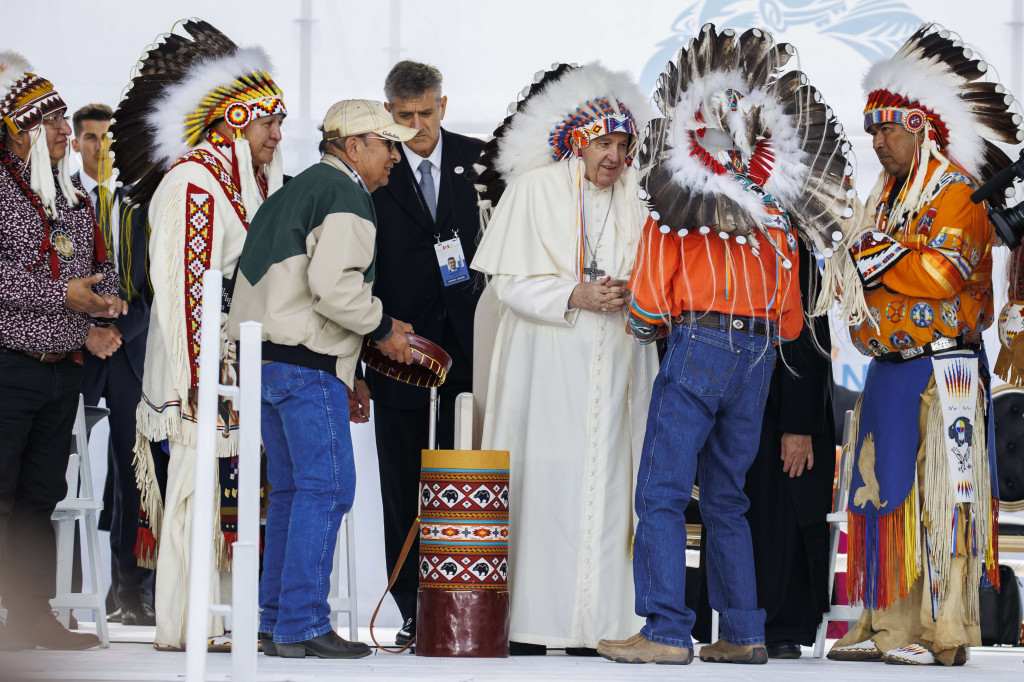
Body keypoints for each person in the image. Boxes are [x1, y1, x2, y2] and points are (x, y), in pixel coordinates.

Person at [596, 24, 858, 665]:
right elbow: (795, 320)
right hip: (760, 355)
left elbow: (648, 302)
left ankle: (665, 629)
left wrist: (644, 323)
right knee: (727, 497)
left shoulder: (676, 198)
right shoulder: (777, 213)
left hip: (699, 345)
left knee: (661, 491)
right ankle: (743, 631)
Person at [826, 23, 1017, 666]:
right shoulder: (885, 199)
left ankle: (941, 630)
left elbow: (941, 275)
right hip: (888, 369)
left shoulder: (961, 194)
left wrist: (874, 257)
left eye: (887, 129)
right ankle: (885, 623)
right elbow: (858, 282)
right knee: (879, 492)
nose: (877, 142)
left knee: (942, 500)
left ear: (922, 127)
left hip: (944, 374)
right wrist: (885, 258)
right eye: (872, 130)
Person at [108, 19, 287, 651]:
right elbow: (184, 287)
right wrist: (196, 374)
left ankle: (217, 616)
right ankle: (186, 621)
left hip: (232, 361)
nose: (277, 135)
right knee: (192, 487)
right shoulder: (194, 182)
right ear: (236, 121)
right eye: (269, 123)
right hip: (197, 363)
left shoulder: (241, 183)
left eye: (280, 123)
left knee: (226, 492)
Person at [471, 62, 658, 654]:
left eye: (623, 146)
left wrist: (636, 295)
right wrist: (573, 295)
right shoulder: (534, 191)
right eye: (604, 144)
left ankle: (603, 624)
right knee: (544, 485)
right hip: (547, 367)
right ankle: (534, 623)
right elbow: (506, 283)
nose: (615, 157)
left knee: (612, 490)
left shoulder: (639, 198)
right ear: (578, 142)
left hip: (620, 360)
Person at [229, 98, 416, 659]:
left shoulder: (296, 188)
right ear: (353, 147)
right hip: (305, 366)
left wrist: (349, 371)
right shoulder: (344, 193)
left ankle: (275, 622)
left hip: (267, 361)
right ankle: (303, 622)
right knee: (328, 487)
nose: (396, 157)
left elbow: (296, 286)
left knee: (291, 491)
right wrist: (384, 328)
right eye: (388, 144)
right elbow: (334, 288)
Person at [0, 52, 126, 651]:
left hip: (61, 373)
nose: (61, 131)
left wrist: (105, 303)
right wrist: (65, 296)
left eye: (60, 118)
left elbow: (103, 265)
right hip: (8, 366)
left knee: (40, 497)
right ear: (16, 129)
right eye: (48, 120)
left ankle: (30, 617)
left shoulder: (73, 193)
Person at [369, 60, 484, 647]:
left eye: (426, 112)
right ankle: (413, 607)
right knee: (402, 485)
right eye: (404, 115)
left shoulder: (480, 160)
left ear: (444, 105)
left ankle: (471, 604)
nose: (416, 125)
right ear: (388, 111)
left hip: (471, 352)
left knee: (469, 481)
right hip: (397, 354)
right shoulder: (374, 165)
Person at [71, 102, 155, 626]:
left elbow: (155, 283)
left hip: (130, 351)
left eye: (107, 138)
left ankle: (131, 593)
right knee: (61, 472)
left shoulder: (141, 204)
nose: (100, 147)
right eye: (91, 138)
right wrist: (89, 332)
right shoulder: (59, 200)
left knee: (135, 475)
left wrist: (120, 331)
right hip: (75, 350)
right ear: (76, 143)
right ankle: (63, 594)